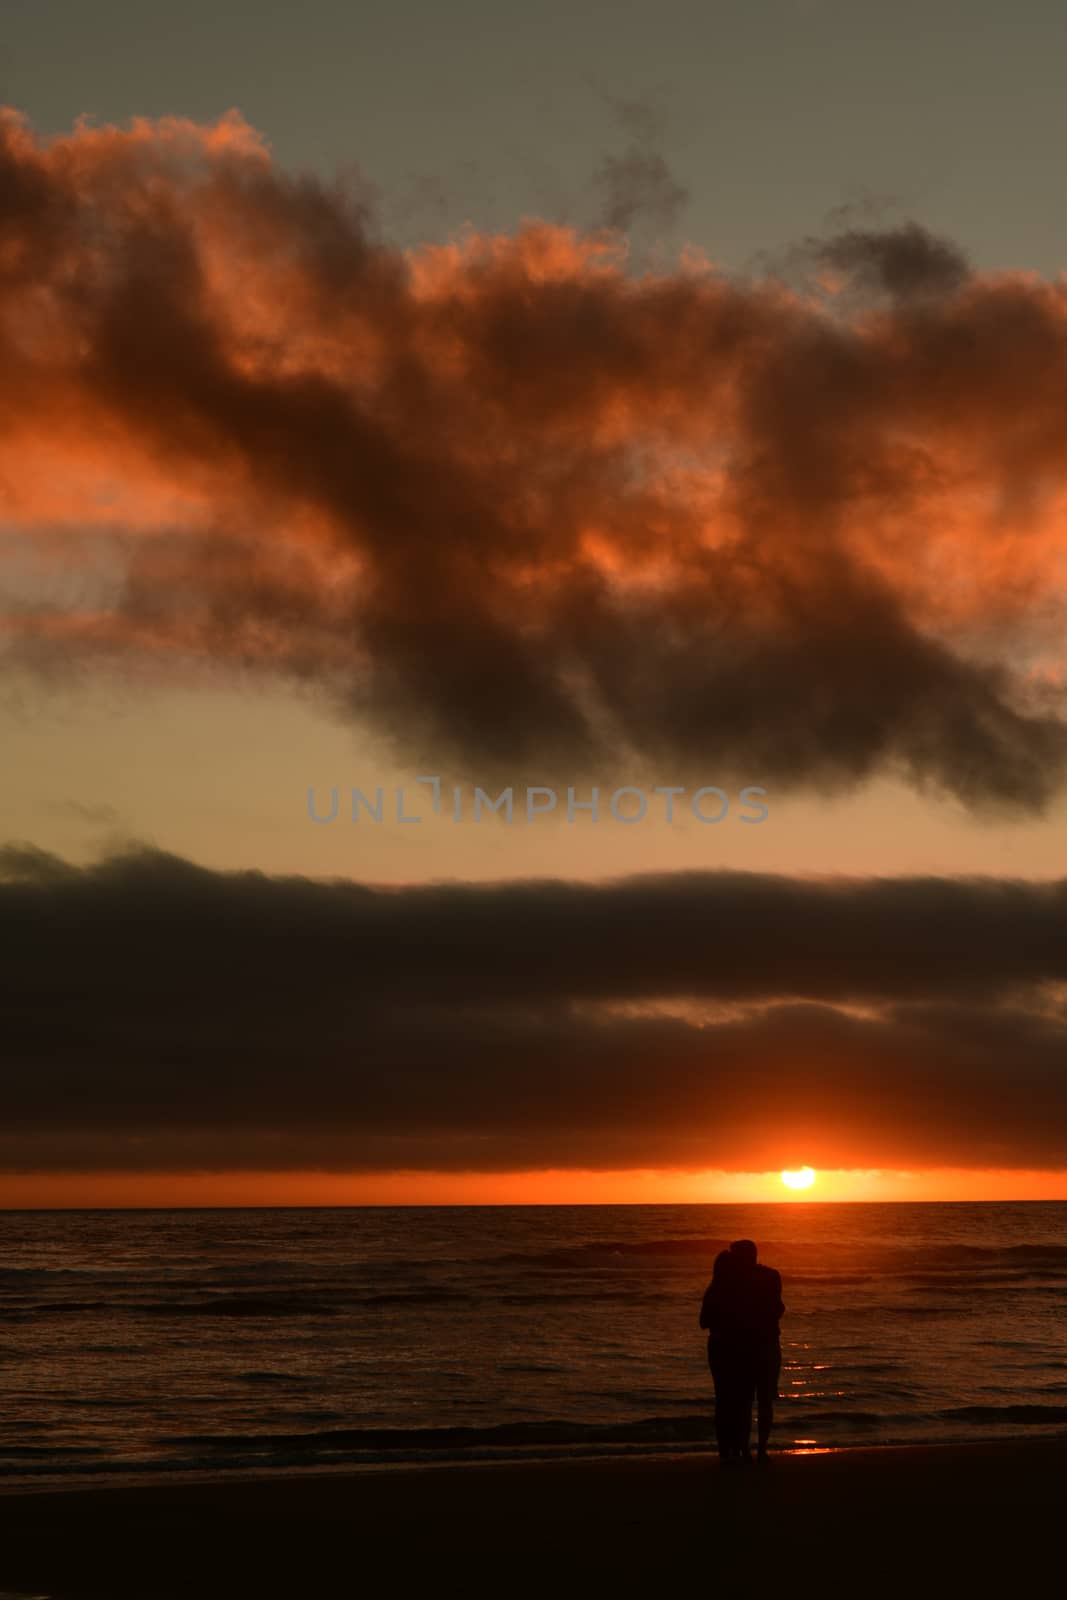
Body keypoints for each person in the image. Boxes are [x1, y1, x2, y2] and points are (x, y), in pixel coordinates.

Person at [699, 1238, 784, 1467]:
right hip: (761, 1346)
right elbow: (778, 1309)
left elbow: (706, 1320)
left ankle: (743, 1450)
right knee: (760, 1401)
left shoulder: (730, 1283)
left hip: (746, 1348)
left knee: (742, 1401)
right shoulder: (769, 1276)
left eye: (736, 1255)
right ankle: (757, 1450)